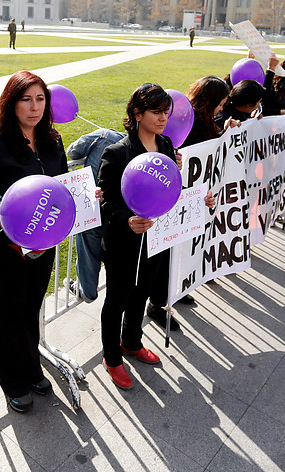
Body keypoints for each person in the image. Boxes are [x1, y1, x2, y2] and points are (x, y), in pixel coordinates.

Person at [97, 83, 215, 389]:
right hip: (124, 241)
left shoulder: (165, 146)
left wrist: (198, 199)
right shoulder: (117, 152)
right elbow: (106, 201)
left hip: (157, 237)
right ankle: (112, 358)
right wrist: (127, 220)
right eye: (156, 112)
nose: (163, 118)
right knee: (117, 298)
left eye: (166, 112)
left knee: (142, 291)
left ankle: (131, 341)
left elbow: (169, 192)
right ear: (137, 114)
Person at [0, 71, 68, 413]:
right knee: (10, 314)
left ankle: (32, 368)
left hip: (44, 246)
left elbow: (62, 186)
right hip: (6, 249)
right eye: (26, 99)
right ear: (11, 103)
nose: (34, 107)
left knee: (30, 309)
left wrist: (84, 195)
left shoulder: (53, 140)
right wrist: (2, 209)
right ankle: (13, 381)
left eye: (40, 99)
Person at [65, 127, 126, 302]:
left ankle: (87, 290)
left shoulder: (103, 135)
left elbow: (72, 151)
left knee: (88, 245)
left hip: (92, 203)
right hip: (117, 208)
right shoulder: (134, 145)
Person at [185, 75, 232, 145]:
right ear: (209, 102)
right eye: (220, 105)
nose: (221, 109)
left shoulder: (204, 118)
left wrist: (226, 130)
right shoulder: (195, 123)